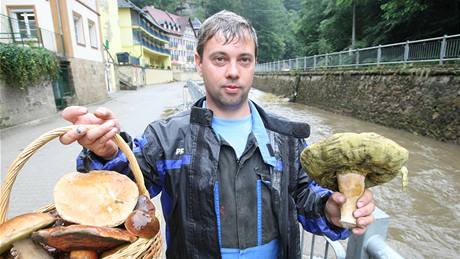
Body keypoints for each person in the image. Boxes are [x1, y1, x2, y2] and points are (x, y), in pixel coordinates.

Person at [60, 10, 375, 259]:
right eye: (220, 58)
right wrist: (106, 151)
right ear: (198, 62)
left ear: (254, 64)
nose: (233, 71)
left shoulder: (286, 137)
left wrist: (331, 211)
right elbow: (126, 192)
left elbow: (306, 198)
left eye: (244, 60)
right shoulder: (166, 137)